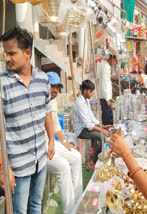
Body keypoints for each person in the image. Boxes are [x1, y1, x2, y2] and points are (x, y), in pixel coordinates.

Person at [0, 27, 54, 213]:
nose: (7, 58)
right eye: (5, 53)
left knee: (35, 205)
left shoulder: (42, 79)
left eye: (12, 53)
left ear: (27, 53)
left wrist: (51, 140)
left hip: (39, 156)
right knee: (19, 211)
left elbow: (47, 110)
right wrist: (4, 168)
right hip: (17, 165)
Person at [46, 72, 83, 213]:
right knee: (63, 166)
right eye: (52, 86)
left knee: (76, 156)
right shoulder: (38, 99)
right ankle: (70, 210)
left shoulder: (53, 101)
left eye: (57, 87)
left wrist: (65, 142)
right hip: (40, 145)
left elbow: (55, 125)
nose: (54, 90)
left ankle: (79, 203)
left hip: (51, 141)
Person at [73, 80, 111, 170]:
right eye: (91, 91)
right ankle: (92, 162)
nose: (91, 94)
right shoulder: (79, 103)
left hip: (86, 128)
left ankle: (97, 157)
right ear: (85, 90)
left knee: (105, 135)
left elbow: (92, 118)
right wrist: (102, 130)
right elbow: (88, 125)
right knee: (103, 138)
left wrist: (102, 126)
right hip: (81, 131)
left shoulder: (86, 101)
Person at [96, 54, 116, 125]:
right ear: (111, 59)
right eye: (114, 61)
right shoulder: (105, 67)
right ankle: (107, 133)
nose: (114, 63)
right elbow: (104, 83)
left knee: (106, 117)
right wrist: (107, 99)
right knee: (108, 119)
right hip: (105, 97)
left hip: (104, 96)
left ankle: (107, 133)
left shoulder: (104, 66)